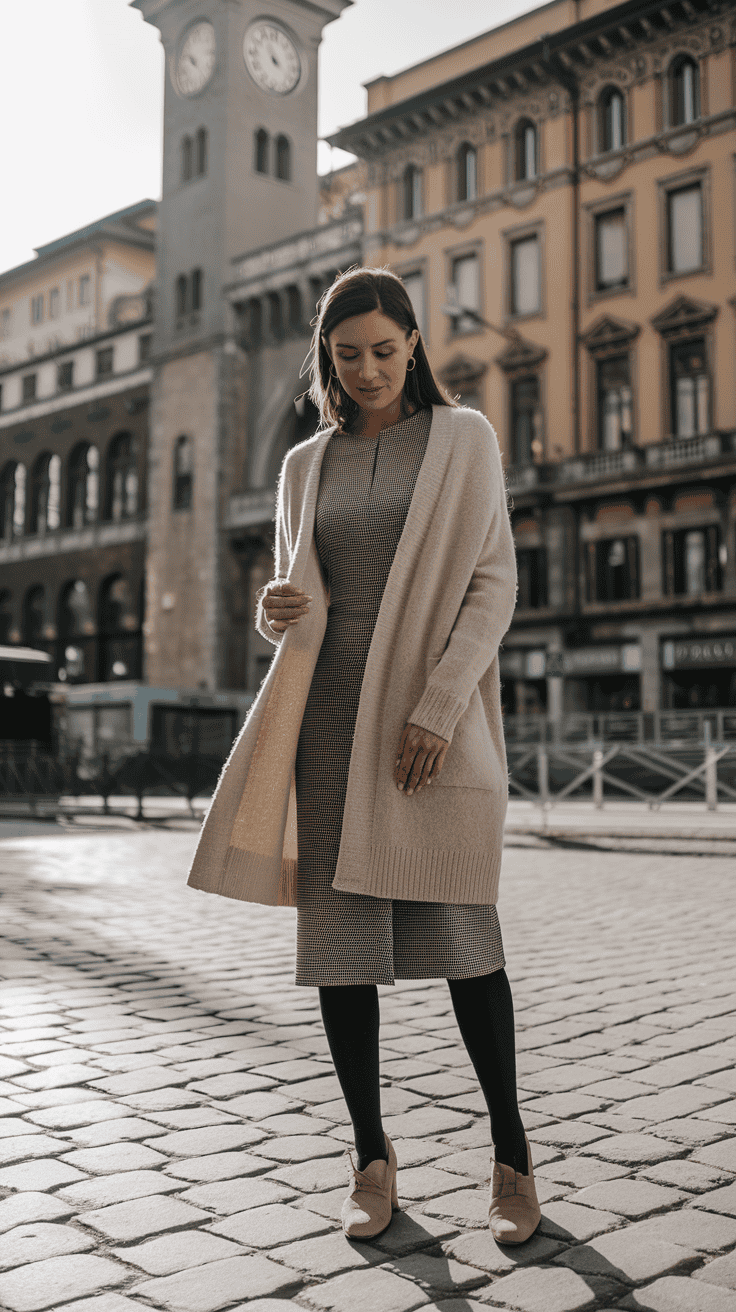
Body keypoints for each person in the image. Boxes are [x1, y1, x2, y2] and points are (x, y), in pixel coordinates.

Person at [259, 266, 541, 1245]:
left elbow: (492, 582)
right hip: (328, 724)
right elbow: (293, 590)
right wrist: (273, 608)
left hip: (433, 723)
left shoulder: (463, 438)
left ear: (414, 343)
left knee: (468, 945)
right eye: (348, 355)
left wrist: (437, 704)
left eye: (385, 349)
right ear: (325, 359)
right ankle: (370, 1154)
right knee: (339, 953)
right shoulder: (303, 464)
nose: (369, 369)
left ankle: (510, 1156)